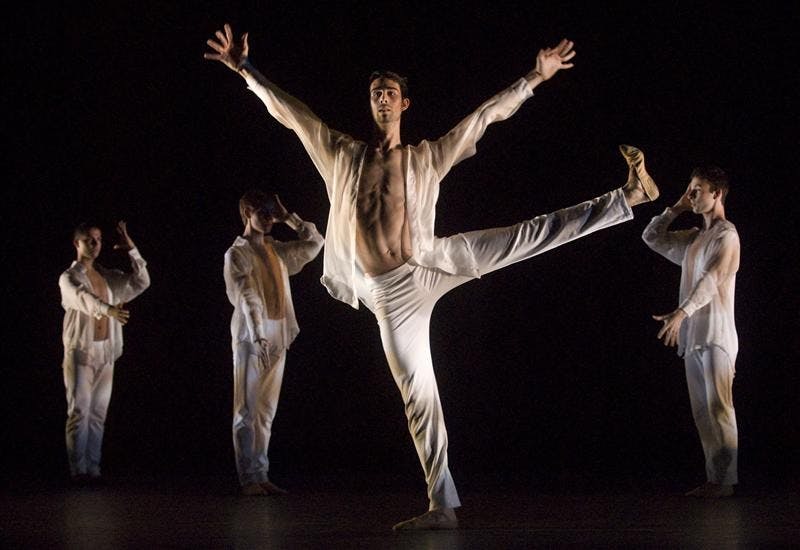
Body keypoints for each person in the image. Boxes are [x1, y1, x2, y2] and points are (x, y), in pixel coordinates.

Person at [205, 23, 659, 529]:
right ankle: (442, 506)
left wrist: (535, 76)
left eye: (390, 93)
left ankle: (630, 196)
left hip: (431, 263)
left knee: (527, 235)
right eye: (375, 93)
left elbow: (483, 118)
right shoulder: (341, 154)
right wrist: (245, 69)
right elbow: (292, 115)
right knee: (418, 395)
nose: (382, 98)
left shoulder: (425, 157)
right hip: (388, 295)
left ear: (404, 104)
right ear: (370, 103)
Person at [643, 167, 739, 498]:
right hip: (695, 337)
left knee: (719, 407)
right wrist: (675, 208)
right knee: (703, 412)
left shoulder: (727, 235)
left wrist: (681, 313)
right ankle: (716, 480)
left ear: (717, 193)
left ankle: (725, 482)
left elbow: (712, 279)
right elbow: (651, 237)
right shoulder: (695, 239)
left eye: (698, 189)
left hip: (717, 333)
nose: (692, 194)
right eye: (690, 189)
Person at [224, 190, 323, 496]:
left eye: (271, 214)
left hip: (279, 332)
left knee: (266, 410)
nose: (269, 219)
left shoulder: (275, 250)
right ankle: (248, 478)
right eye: (263, 213)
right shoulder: (237, 253)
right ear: (247, 213)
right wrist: (258, 333)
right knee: (246, 409)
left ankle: (260, 472)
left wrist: (289, 217)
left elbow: (315, 243)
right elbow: (246, 295)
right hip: (252, 336)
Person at [59, 221, 150, 485]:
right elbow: (83, 298)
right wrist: (108, 309)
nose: (95, 244)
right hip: (81, 351)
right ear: (77, 243)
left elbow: (141, 281)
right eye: (89, 239)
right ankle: (78, 470)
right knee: (79, 411)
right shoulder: (69, 277)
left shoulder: (108, 277)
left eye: (98, 239)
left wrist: (132, 249)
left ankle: (93, 468)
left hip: (106, 351)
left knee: (98, 413)